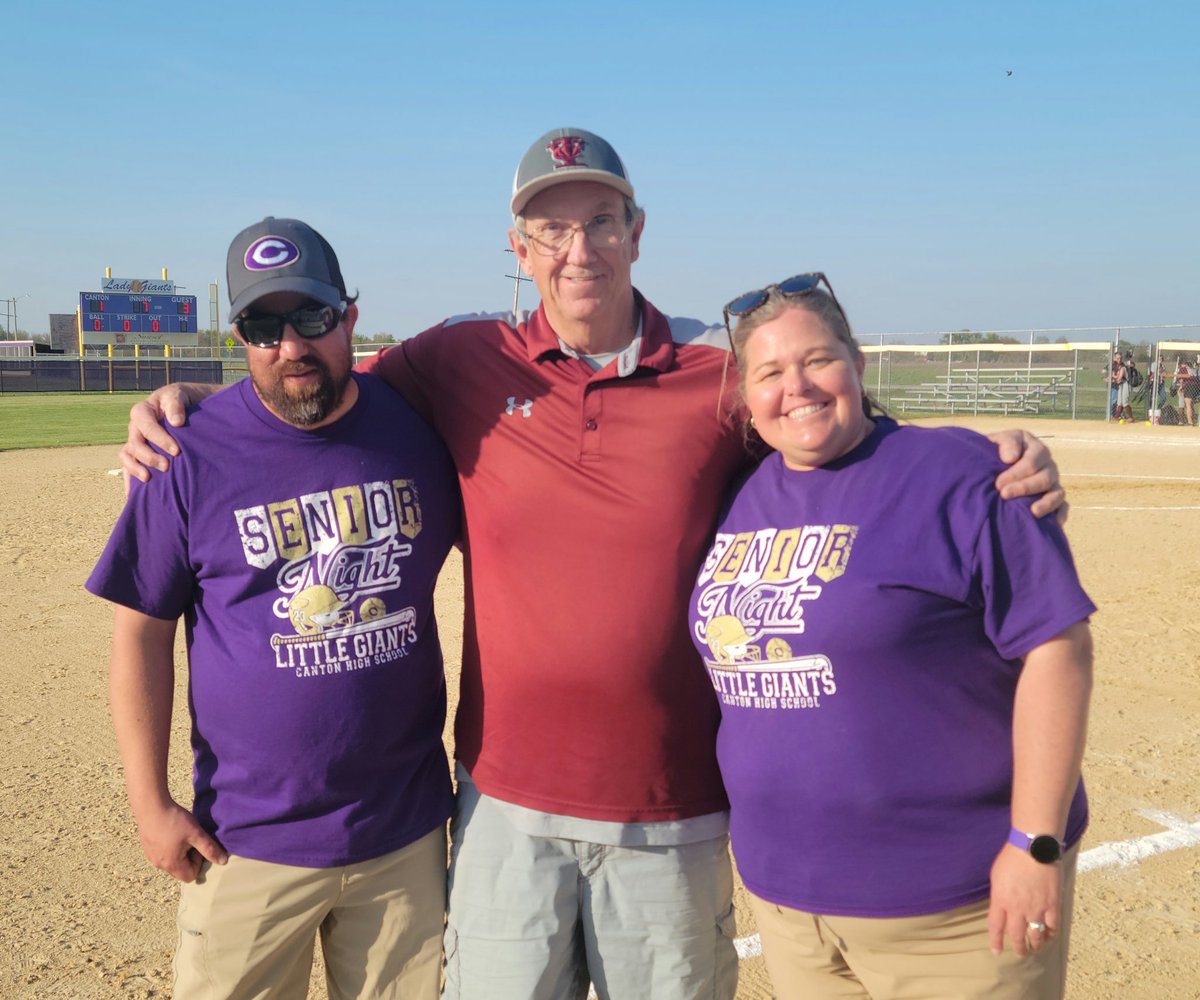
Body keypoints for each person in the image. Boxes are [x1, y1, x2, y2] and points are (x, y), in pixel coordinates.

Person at [119, 130, 1066, 1000]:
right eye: (552, 228)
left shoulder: (716, 375)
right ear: (519, 247)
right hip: (503, 805)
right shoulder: (460, 358)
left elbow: (818, 415)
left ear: (636, 233)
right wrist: (197, 396)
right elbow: (320, 387)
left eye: (601, 221)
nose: (580, 249)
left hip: (670, 808)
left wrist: (978, 458)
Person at [690, 273, 1094, 1000]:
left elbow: (1058, 650)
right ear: (746, 397)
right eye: (770, 372)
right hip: (792, 909)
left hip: (957, 913)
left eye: (817, 360)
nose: (798, 387)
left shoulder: (966, 476)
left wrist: (1035, 844)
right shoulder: (739, 496)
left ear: (858, 362)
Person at [88, 218, 458, 999]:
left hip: (403, 838)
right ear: (240, 336)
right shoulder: (184, 454)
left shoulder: (419, 432)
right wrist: (150, 804)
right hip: (246, 844)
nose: (291, 346)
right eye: (264, 325)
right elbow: (140, 634)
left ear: (349, 318)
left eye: (313, 318)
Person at [1174, 355, 1199, 426]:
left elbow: (1181, 380)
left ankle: (1190, 422)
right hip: (1196, 387)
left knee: (1188, 405)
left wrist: (1180, 387)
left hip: (1189, 386)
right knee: (1191, 404)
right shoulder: (1193, 369)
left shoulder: (1183, 369)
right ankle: (1192, 420)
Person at [1110, 349, 1132, 422]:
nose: (1119, 360)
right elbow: (1113, 375)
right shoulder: (1114, 366)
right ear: (1114, 358)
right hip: (1120, 384)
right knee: (1119, 402)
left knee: (1125, 402)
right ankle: (1116, 416)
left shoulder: (1122, 367)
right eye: (1117, 358)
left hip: (1126, 384)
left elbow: (1119, 377)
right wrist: (1112, 378)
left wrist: (1113, 378)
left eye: (1120, 358)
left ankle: (1130, 417)